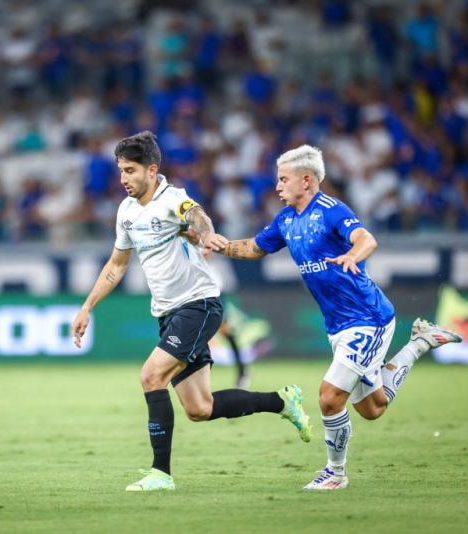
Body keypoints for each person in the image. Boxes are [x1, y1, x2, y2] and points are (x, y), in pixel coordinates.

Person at [71, 131, 312, 492]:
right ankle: (283, 401)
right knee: (200, 408)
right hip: (169, 313)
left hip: (198, 305)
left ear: (152, 170)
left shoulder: (173, 199)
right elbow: (117, 265)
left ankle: (161, 474)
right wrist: (87, 306)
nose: (123, 179)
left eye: (130, 170)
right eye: (120, 171)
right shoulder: (126, 212)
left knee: (151, 376)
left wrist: (207, 235)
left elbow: (197, 216)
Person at [216, 145, 462, 490]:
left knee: (329, 397)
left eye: (283, 179)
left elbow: (366, 239)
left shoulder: (331, 210)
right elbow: (255, 248)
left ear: (306, 180)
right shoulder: (286, 220)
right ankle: (420, 343)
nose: (277, 186)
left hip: (367, 317)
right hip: (338, 326)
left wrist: (352, 255)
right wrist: (216, 244)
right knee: (372, 408)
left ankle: (335, 473)